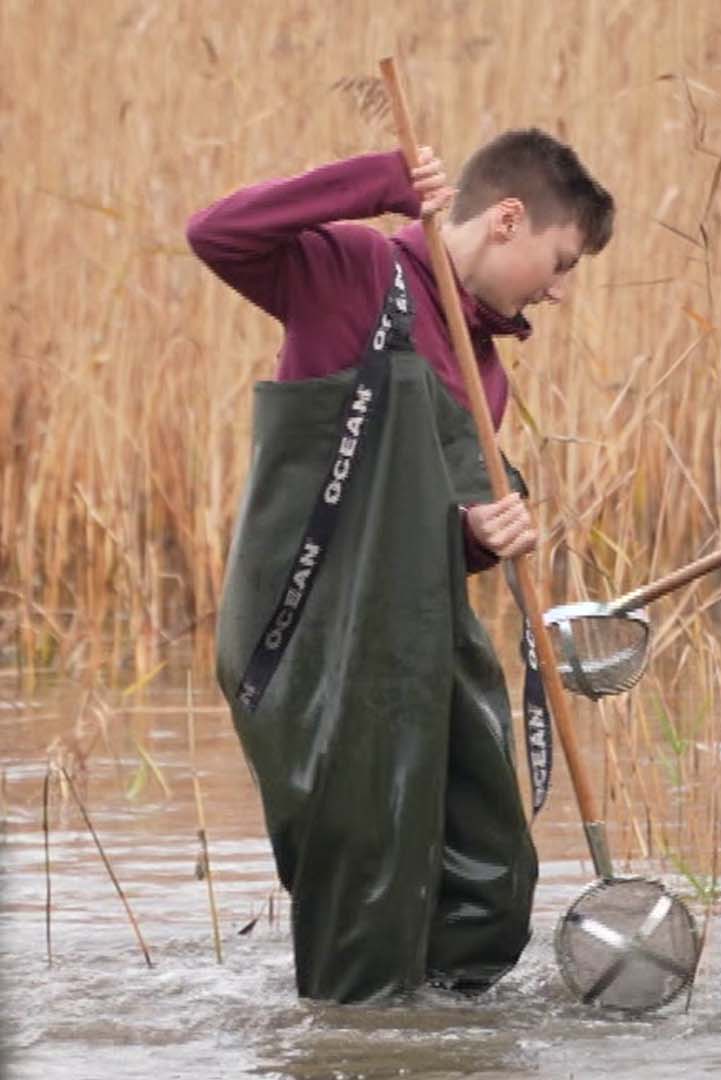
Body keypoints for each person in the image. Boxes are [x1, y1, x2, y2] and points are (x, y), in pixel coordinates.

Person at [187, 129, 615, 1002]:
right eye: (561, 260)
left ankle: (442, 1038)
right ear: (507, 220)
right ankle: (355, 1042)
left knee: (492, 873)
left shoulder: (486, 369)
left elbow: (426, 532)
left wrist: (480, 534)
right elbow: (216, 234)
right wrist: (373, 181)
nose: (562, 290)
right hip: (309, 641)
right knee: (367, 895)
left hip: (414, 640)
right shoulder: (349, 271)